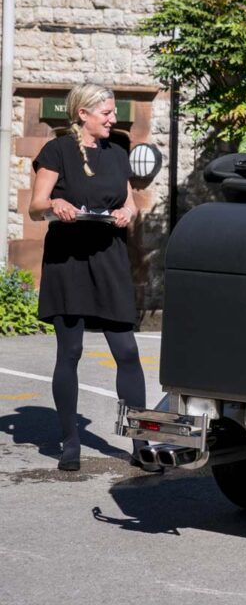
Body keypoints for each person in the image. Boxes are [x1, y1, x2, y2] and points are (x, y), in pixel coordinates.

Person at [28, 83, 147, 472]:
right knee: (72, 352)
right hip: (68, 260)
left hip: (109, 256)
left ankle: (140, 442)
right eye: (107, 113)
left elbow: (129, 202)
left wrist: (129, 213)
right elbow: (35, 207)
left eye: (113, 113)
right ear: (83, 114)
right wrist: (56, 202)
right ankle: (70, 441)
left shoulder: (117, 152)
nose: (113, 119)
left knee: (128, 352)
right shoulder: (56, 151)